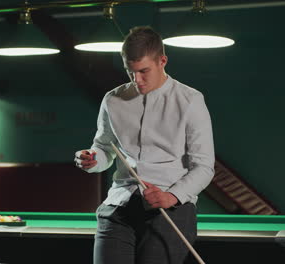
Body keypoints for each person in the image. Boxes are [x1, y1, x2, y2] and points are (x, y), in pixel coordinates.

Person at [74, 26, 215, 264]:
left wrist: (172, 196)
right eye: (130, 72)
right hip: (120, 204)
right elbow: (105, 149)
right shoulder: (113, 99)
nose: (137, 80)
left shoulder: (191, 100)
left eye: (143, 71)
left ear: (163, 60)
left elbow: (204, 167)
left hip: (170, 208)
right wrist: (92, 159)